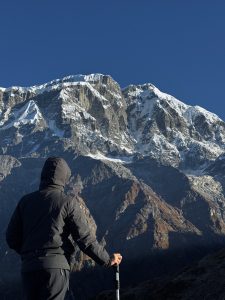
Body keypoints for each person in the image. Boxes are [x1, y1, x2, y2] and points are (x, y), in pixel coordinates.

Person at [6, 157, 122, 300]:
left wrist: (30, 253)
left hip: (29, 269)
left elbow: (11, 238)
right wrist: (107, 260)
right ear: (64, 177)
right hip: (55, 269)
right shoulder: (67, 203)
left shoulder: (25, 202)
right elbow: (85, 239)